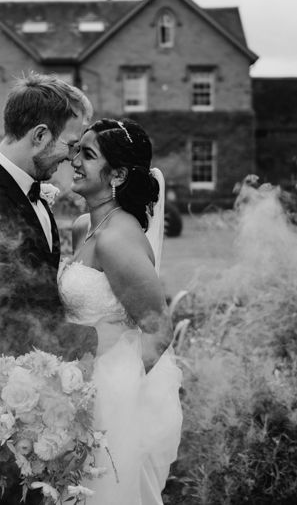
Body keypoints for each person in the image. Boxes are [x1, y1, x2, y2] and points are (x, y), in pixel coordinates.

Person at [0, 72, 98, 504]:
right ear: (40, 135)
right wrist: (104, 342)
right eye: (69, 145)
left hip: (35, 399)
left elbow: (39, 291)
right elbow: (11, 314)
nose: (71, 158)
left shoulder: (24, 192)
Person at [59, 117, 183, 504]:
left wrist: (115, 399)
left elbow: (158, 331)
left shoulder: (117, 239)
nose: (75, 160)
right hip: (71, 387)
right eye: (77, 150)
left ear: (118, 173)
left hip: (105, 408)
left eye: (88, 155)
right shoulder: (84, 227)